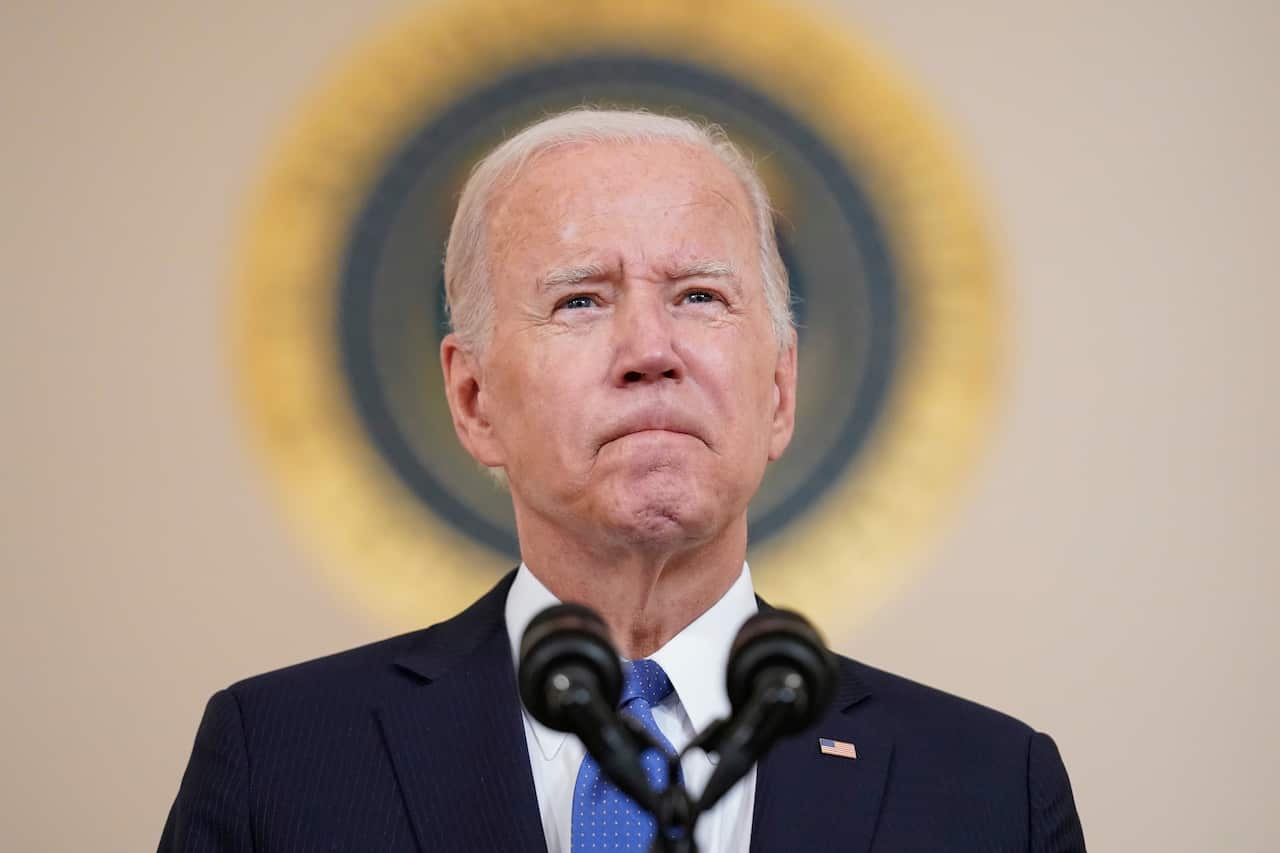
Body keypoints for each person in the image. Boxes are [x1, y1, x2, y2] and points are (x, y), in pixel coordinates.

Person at [160, 109, 1085, 852]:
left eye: (699, 296)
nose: (651, 350)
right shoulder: (279, 761)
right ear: (474, 400)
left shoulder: (990, 788)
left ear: (779, 390)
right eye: (581, 300)